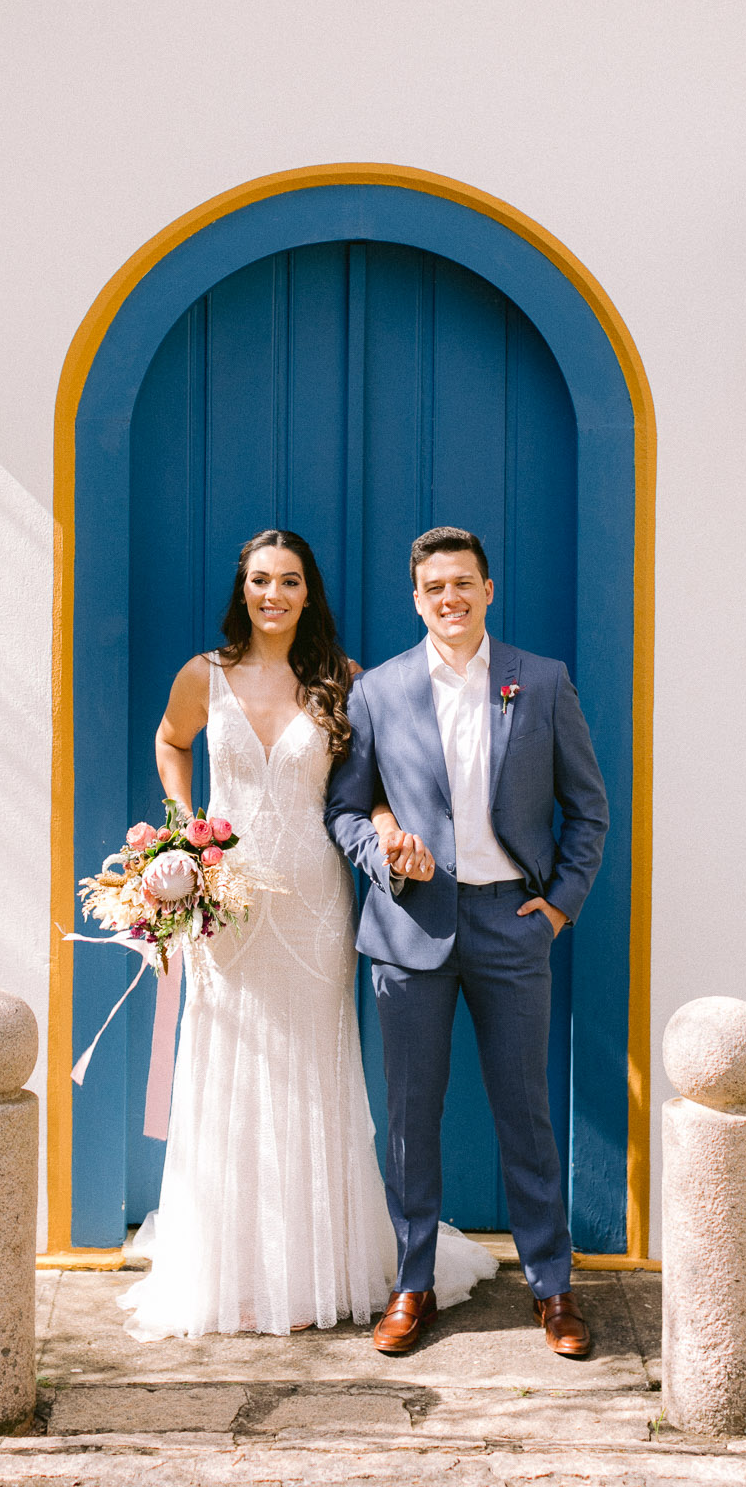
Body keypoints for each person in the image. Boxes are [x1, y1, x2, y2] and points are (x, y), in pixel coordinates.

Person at [120, 528, 495, 1339]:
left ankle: (317, 1264)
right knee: (227, 1065)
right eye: (260, 580)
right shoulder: (204, 675)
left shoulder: (343, 681)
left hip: (314, 907)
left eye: (289, 582)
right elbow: (169, 741)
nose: (273, 596)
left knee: (307, 1071)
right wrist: (185, 830)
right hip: (227, 906)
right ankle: (230, 1267)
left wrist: (394, 827)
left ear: (307, 592)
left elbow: (377, 783)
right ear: (243, 589)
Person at [325, 525, 610, 1359]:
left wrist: (558, 906)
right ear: (414, 600)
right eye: (432, 588)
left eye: (462, 584)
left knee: (524, 1112)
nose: (448, 599)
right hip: (410, 929)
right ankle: (412, 1286)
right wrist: (383, 853)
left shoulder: (543, 682)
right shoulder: (378, 691)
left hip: (512, 926)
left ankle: (551, 1289)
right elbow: (345, 808)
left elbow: (587, 808)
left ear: (488, 590)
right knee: (411, 1119)